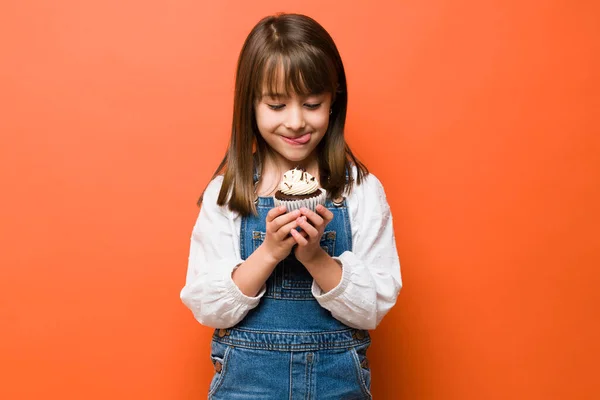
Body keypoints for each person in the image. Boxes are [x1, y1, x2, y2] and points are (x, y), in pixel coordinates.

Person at [180, 13, 402, 399]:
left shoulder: (359, 191)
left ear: (334, 101)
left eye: (312, 103)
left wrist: (315, 257)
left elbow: (372, 309)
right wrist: (269, 252)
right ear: (251, 104)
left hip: (338, 384)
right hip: (246, 386)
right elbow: (209, 309)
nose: (296, 122)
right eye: (277, 105)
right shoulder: (228, 193)